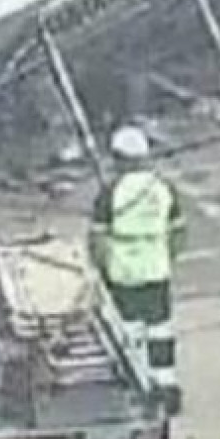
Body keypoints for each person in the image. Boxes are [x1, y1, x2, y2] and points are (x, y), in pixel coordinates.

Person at [89, 127, 186, 414]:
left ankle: (141, 385)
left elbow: (98, 237)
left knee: (130, 330)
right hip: (156, 265)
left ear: (118, 158)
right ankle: (167, 382)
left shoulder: (111, 192)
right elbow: (178, 231)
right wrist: (167, 256)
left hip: (123, 269)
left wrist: (100, 267)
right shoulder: (162, 188)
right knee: (160, 327)